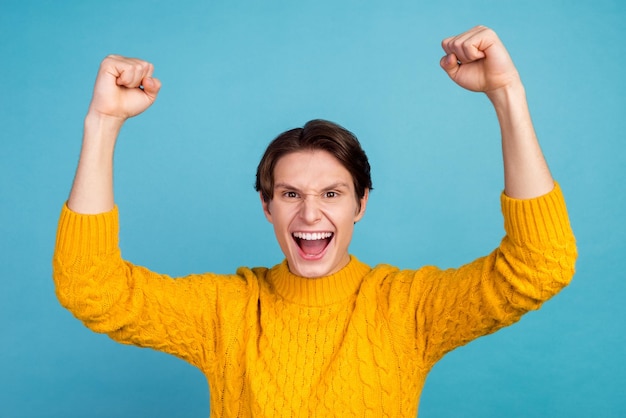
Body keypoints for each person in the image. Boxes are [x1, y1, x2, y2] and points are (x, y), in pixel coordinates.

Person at [53, 26, 577, 417]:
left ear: (360, 204)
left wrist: (507, 94)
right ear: (267, 206)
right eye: (289, 194)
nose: (309, 213)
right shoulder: (227, 313)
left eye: (332, 193)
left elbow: (541, 264)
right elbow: (89, 287)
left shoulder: (406, 310)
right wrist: (103, 123)